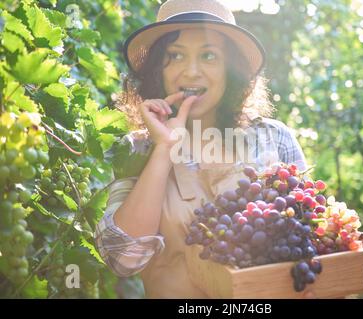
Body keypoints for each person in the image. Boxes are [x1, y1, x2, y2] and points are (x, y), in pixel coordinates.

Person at [94, 0, 308, 298]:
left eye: (208, 55)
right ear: (158, 69)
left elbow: (311, 242)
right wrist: (164, 149)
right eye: (175, 55)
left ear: (230, 70)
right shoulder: (136, 150)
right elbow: (124, 258)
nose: (191, 72)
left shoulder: (274, 139)